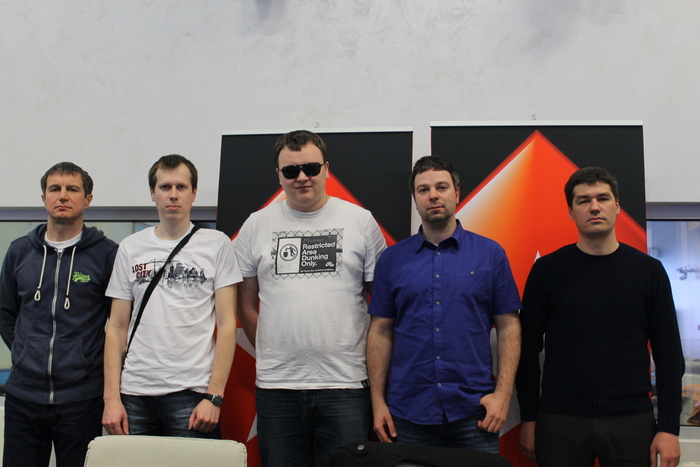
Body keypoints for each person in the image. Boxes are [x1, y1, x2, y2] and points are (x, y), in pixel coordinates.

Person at [234, 130, 387, 467]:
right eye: (291, 171)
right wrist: (275, 348)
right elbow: (244, 305)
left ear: (326, 169)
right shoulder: (256, 225)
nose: (301, 177)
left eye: (311, 168)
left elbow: (382, 306)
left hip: (346, 384)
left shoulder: (360, 221)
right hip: (277, 387)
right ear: (279, 175)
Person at [516, 167, 685, 467]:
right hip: (559, 421)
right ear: (571, 212)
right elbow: (527, 352)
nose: (594, 207)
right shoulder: (547, 272)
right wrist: (528, 418)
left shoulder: (649, 272)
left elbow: (669, 355)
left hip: (632, 420)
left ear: (617, 206)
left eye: (603, 198)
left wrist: (669, 427)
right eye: (583, 201)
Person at [366, 155, 522, 455]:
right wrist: (378, 402)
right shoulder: (392, 260)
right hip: (408, 412)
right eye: (423, 190)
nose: (433, 195)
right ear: (415, 199)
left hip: (475, 411)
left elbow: (508, 326)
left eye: (441, 187)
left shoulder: (490, 254)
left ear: (457, 193)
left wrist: (503, 395)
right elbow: (380, 331)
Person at [102, 154, 240, 438]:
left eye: (181, 187)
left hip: (193, 393)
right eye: (165, 187)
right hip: (134, 393)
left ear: (194, 193)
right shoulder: (130, 247)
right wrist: (111, 398)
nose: (173, 194)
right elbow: (116, 327)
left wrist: (214, 396)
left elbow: (227, 324)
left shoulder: (217, 244)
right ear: (153, 193)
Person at [0, 162, 118, 467]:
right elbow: (5, 313)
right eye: (55, 189)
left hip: (81, 399)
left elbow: (118, 324)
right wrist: (25, 351)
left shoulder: (107, 254)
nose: (62, 196)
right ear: (44, 198)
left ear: (88, 199)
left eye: (72, 189)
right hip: (23, 397)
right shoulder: (18, 252)